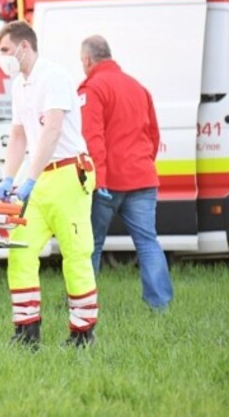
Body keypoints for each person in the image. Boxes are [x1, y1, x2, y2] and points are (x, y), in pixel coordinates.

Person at [0, 21, 98, 348]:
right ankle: (26, 331)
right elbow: (18, 135)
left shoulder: (54, 77)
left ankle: (82, 333)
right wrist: (8, 178)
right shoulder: (19, 85)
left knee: (75, 255)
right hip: (37, 178)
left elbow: (51, 132)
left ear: (25, 46)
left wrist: (30, 179)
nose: (2, 58)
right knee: (20, 250)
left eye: (6, 50)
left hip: (67, 173)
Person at [78, 35, 173, 310]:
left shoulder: (92, 88)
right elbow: (153, 135)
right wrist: (143, 165)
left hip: (108, 183)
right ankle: (160, 305)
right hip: (142, 179)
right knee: (147, 242)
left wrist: (99, 180)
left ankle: (84, 305)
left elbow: (92, 138)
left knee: (91, 245)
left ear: (87, 60)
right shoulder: (138, 87)